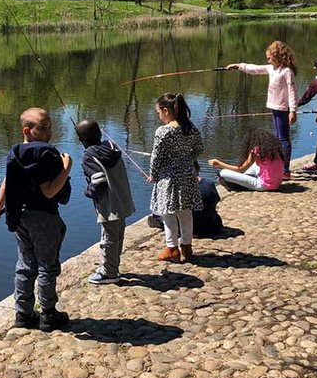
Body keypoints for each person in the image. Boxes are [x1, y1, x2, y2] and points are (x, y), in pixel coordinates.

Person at [0, 107, 72, 331]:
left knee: (25, 266)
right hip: (43, 217)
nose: (49, 133)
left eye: (50, 127)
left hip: (20, 217)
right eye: (44, 128)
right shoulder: (44, 155)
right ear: (27, 130)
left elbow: (8, 182)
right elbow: (49, 191)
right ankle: (48, 314)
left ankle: (23, 314)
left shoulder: (15, 153)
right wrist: (66, 168)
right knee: (47, 266)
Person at [75, 118, 136, 285]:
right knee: (117, 235)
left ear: (81, 140)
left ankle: (109, 272)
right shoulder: (112, 146)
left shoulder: (88, 155)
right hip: (123, 199)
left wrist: (88, 192)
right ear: (100, 133)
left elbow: (98, 180)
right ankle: (113, 266)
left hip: (109, 204)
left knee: (108, 238)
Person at [225, 40, 298, 176]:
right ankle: (279, 166)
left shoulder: (287, 71)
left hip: (283, 109)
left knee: (283, 138)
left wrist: (293, 110)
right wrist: (238, 66)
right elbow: (255, 69)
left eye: (270, 58)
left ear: (277, 56)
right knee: (278, 137)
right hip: (274, 107)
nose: (268, 61)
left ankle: (285, 169)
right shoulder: (272, 69)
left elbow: (292, 91)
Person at [148, 93, 204, 263]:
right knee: (186, 213)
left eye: (159, 112)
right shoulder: (190, 127)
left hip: (168, 178)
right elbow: (199, 148)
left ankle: (172, 248)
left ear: (166, 111)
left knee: (168, 213)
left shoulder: (163, 132)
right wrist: (188, 159)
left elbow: (156, 157)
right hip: (187, 175)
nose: (158, 116)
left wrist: (153, 175)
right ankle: (187, 247)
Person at [208, 129, 285, 192]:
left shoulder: (255, 151)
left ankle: (243, 184)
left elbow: (241, 169)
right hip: (277, 183)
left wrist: (218, 164)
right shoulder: (272, 150)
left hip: (264, 185)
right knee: (254, 164)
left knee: (223, 173)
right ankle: (244, 179)